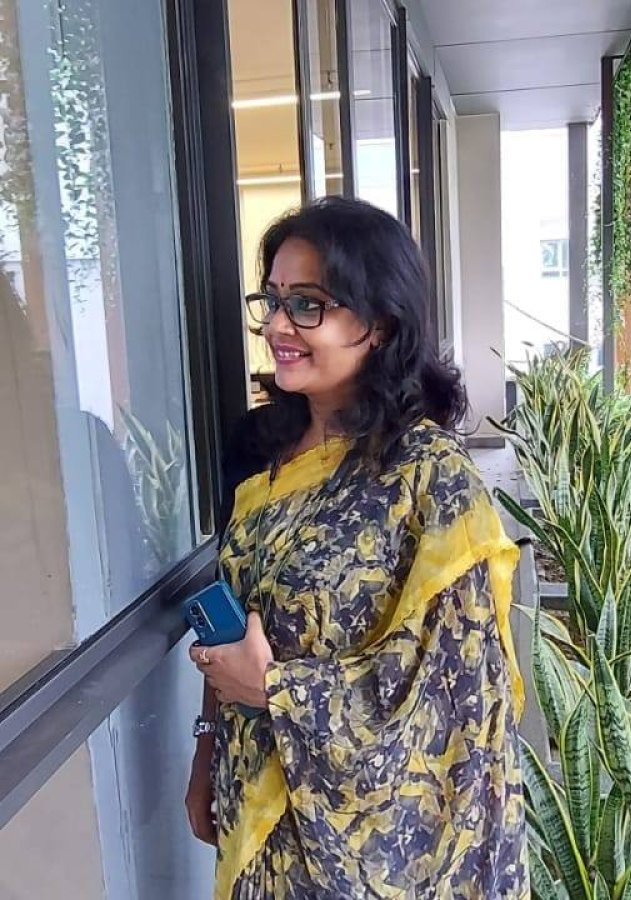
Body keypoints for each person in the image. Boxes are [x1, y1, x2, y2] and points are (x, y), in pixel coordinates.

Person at [185, 197, 529, 899]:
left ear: (380, 324)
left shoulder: (430, 480)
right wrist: (206, 749)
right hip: (259, 809)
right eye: (273, 300)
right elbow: (238, 620)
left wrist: (277, 692)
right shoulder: (258, 452)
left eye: (307, 305)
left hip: (372, 846)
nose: (277, 326)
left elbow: (454, 700)